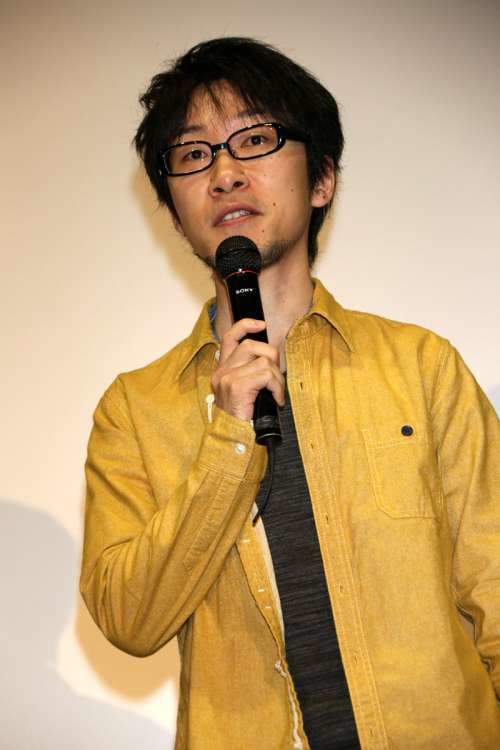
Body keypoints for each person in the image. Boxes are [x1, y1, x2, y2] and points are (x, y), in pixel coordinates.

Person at [80, 37, 500, 749]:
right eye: (193, 154)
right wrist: (228, 438)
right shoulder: (133, 410)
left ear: (322, 178)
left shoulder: (420, 366)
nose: (224, 173)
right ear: (174, 211)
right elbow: (129, 619)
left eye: (255, 139)